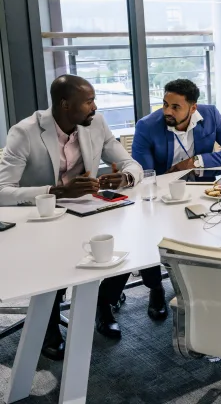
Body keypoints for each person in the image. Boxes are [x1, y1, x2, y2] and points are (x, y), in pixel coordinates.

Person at [0, 75, 143, 359]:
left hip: (87, 211)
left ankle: (104, 304)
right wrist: (56, 191)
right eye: (88, 101)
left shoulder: (96, 123)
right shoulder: (24, 132)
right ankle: (48, 326)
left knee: (131, 246)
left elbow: (131, 163)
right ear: (65, 104)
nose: (95, 107)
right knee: (54, 264)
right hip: (43, 217)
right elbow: (2, 192)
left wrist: (124, 177)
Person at [132, 78, 221, 320]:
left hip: (198, 191)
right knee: (152, 238)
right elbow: (146, 177)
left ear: (193, 108)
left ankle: (204, 287)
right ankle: (155, 288)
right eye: (165, 104)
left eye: (175, 107)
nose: (167, 112)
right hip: (161, 196)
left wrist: (196, 161)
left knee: (211, 232)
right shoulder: (147, 126)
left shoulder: (210, 115)